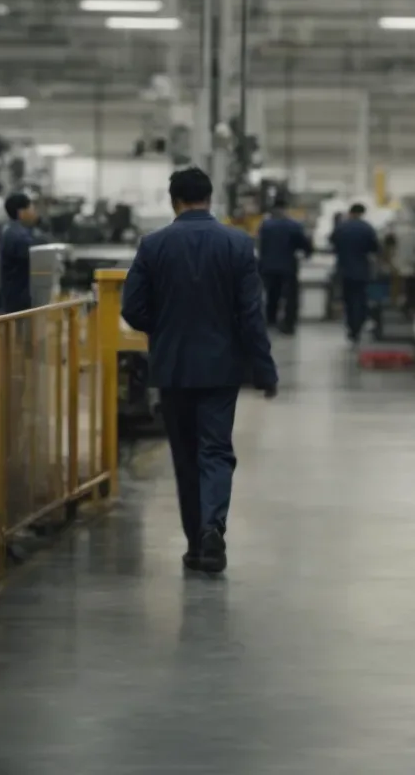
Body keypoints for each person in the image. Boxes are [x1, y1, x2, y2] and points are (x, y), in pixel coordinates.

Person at [122, 167, 278, 575]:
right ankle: (213, 531)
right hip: (221, 367)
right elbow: (250, 316)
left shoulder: (153, 245)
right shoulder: (238, 244)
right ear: (210, 198)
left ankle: (196, 542)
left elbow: (131, 309)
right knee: (215, 450)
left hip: (172, 367)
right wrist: (264, 370)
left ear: (173, 200)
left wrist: (165, 328)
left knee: (185, 455)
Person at [255, 202, 312, 335]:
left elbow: (260, 245)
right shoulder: (294, 225)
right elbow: (304, 244)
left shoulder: (265, 225)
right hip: (288, 267)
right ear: (285, 210)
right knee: (290, 297)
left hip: (268, 267)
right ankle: (288, 325)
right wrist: (307, 253)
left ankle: (271, 321)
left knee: (271, 295)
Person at [328, 203, 381, 345]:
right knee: (361, 299)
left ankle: (351, 329)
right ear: (362, 213)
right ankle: (358, 326)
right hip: (362, 270)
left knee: (348, 300)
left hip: (344, 269)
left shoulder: (341, 227)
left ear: (350, 212)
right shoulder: (367, 228)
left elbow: (332, 243)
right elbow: (375, 248)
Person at [0, 193, 41, 313]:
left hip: (13, 298)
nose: (34, 212)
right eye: (31, 208)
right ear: (21, 212)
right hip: (19, 302)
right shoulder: (18, 236)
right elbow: (37, 256)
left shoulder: (10, 230)